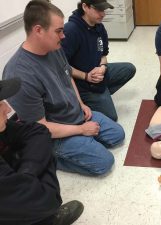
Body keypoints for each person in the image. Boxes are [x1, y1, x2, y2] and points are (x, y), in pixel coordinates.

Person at [3, 0, 125, 176]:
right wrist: (81, 130)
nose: (64, 36)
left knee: (117, 135)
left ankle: (81, 141)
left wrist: (81, 104)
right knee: (104, 163)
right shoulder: (19, 73)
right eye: (58, 31)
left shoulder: (54, 48)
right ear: (38, 30)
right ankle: (46, 157)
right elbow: (41, 127)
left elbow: (68, 78)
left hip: (76, 114)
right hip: (53, 133)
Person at [0, 78, 83, 225]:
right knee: (44, 159)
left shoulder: (4, 127)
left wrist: (28, 171)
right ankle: (49, 220)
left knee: (35, 150)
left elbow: (38, 131)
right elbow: (43, 202)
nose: (7, 108)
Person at [61, 0, 136, 121]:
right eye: (98, 10)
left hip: (98, 74)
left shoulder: (99, 28)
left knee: (129, 69)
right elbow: (62, 66)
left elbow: (103, 55)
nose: (103, 14)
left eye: (104, 10)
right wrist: (86, 76)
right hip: (82, 82)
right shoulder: (71, 30)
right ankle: (90, 98)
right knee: (112, 117)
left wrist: (102, 68)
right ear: (85, 7)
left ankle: (102, 95)